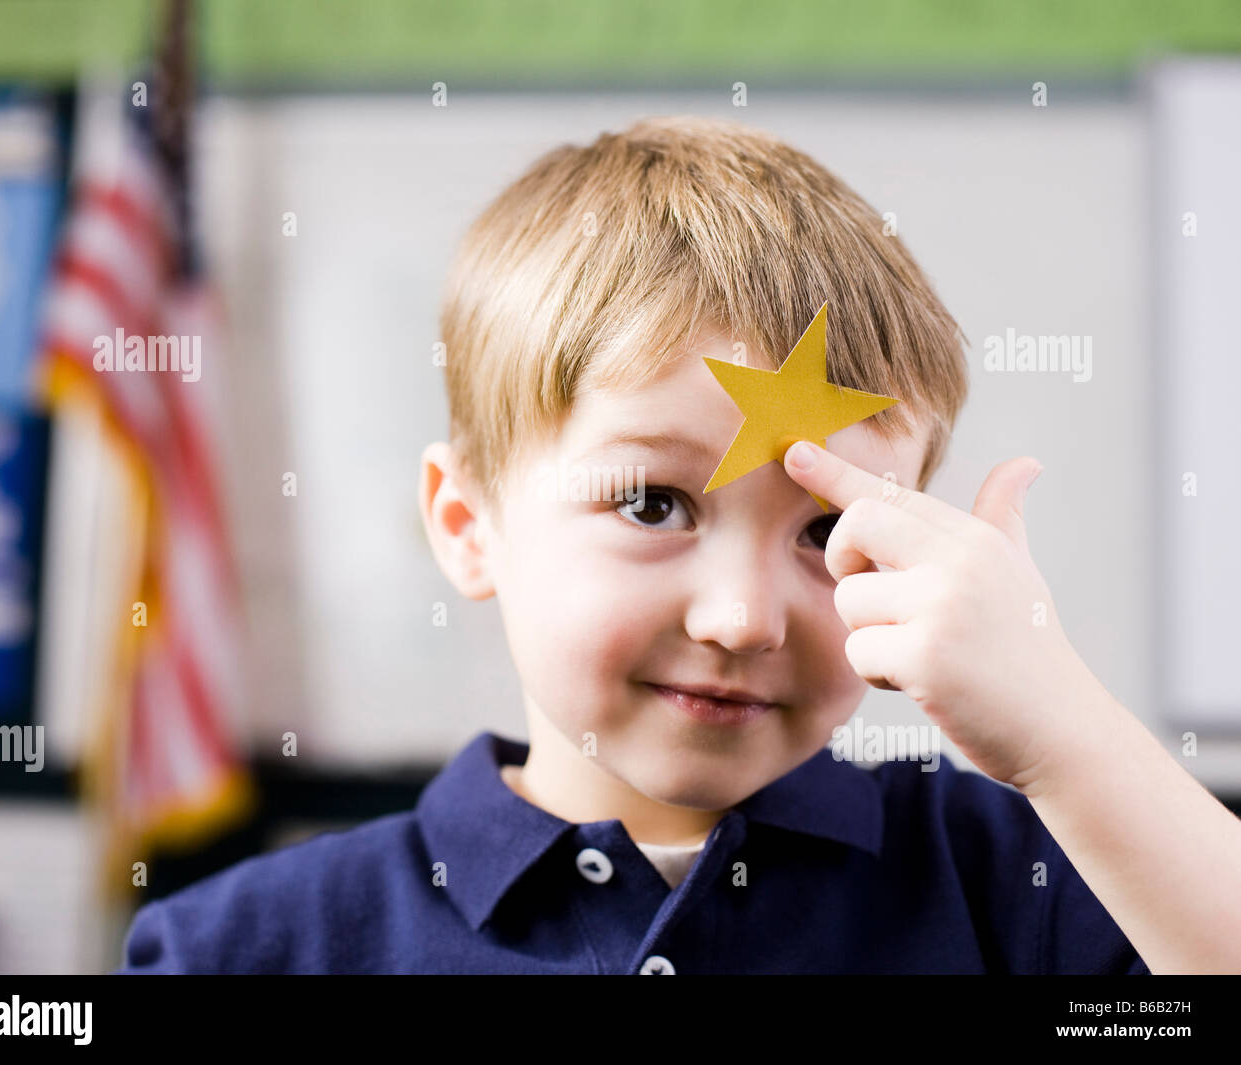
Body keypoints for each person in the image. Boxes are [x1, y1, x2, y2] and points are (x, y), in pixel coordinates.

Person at [118, 116, 1241, 974]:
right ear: (467, 525)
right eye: (653, 505)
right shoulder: (247, 949)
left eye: (827, 529)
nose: (743, 618)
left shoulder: (1020, 874)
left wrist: (1062, 733)